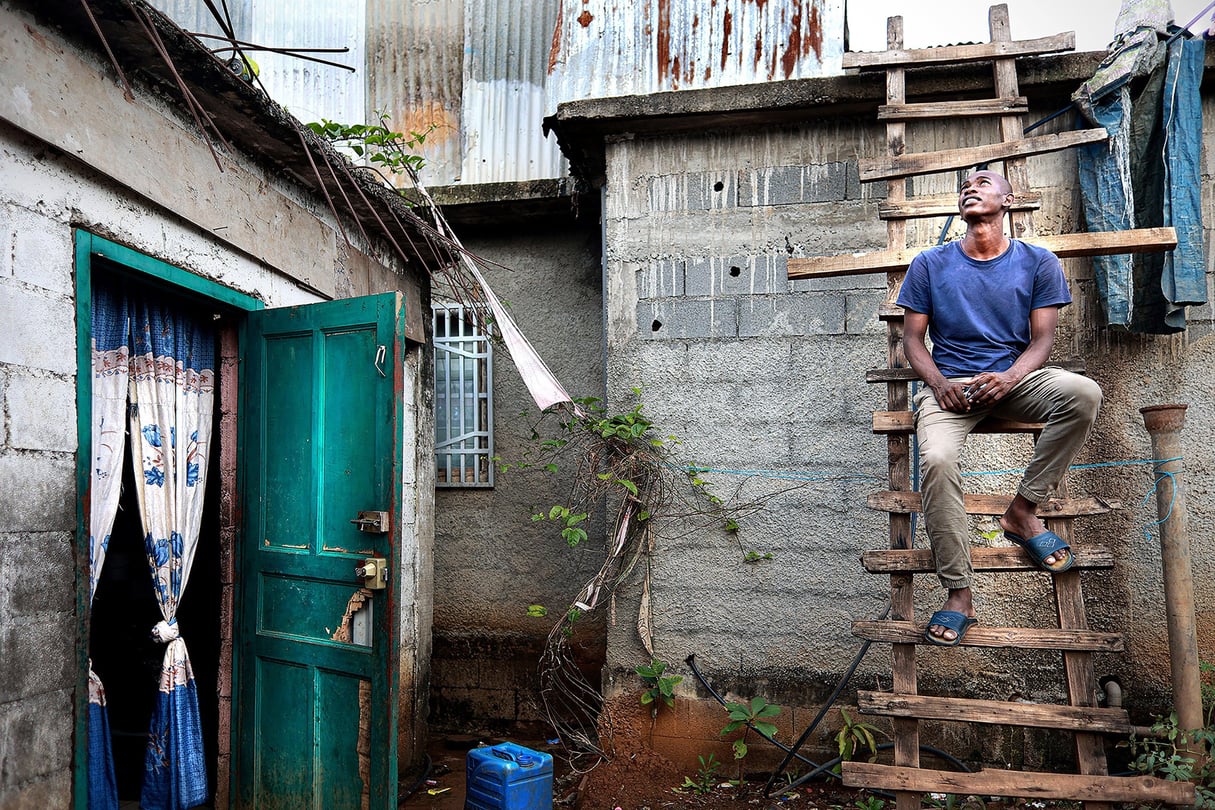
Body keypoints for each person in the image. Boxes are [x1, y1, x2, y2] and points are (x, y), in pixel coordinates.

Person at [896, 169, 1103, 647]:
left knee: (1083, 393)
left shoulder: (1037, 262)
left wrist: (1011, 376)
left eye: (985, 182)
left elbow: (1042, 339)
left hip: (1015, 380)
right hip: (953, 388)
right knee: (938, 460)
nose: (971, 186)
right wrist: (940, 383)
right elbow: (912, 338)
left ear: (1008, 201)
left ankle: (1022, 511)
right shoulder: (930, 263)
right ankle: (959, 594)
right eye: (966, 184)